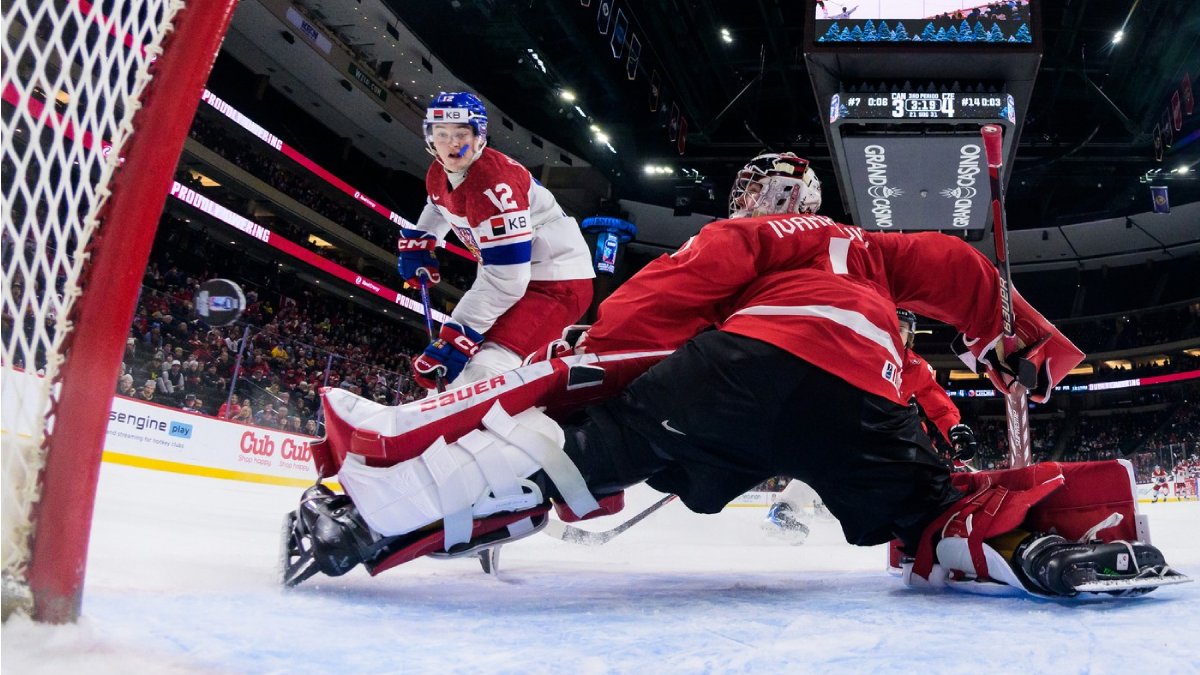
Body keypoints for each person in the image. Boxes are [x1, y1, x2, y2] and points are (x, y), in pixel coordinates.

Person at [288, 153, 1183, 598]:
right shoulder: (870, 255)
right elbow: (957, 282)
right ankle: (1034, 551)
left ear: (774, 200)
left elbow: (669, 295)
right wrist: (1021, 346)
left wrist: (592, 356)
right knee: (924, 510)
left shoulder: (747, 237)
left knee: (578, 452)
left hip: (741, 368)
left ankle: (371, 514)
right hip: (861, 395)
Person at [396, 91, 594, 391]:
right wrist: (425, 238)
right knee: (457, 372)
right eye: (442, 133)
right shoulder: (439, 171)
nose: (452, 143)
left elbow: (508, 277)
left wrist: (459, 332)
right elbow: (439, 203)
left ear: (479, 137)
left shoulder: (494, 186)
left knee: (486, 369)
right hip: (522, 276)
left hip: (556, 284)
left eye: (461, 133)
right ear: (430, 137)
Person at [762, 307, 978, 544]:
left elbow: (939, 405)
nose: (896, 333)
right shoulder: (857, 352)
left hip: (886, 433)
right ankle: (784, 509)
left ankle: (830, 505)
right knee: (830, 457)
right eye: (891, 327)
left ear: (911, 337)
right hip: (848, 423)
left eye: (902, 329)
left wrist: (954, 429)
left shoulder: (917, 368)